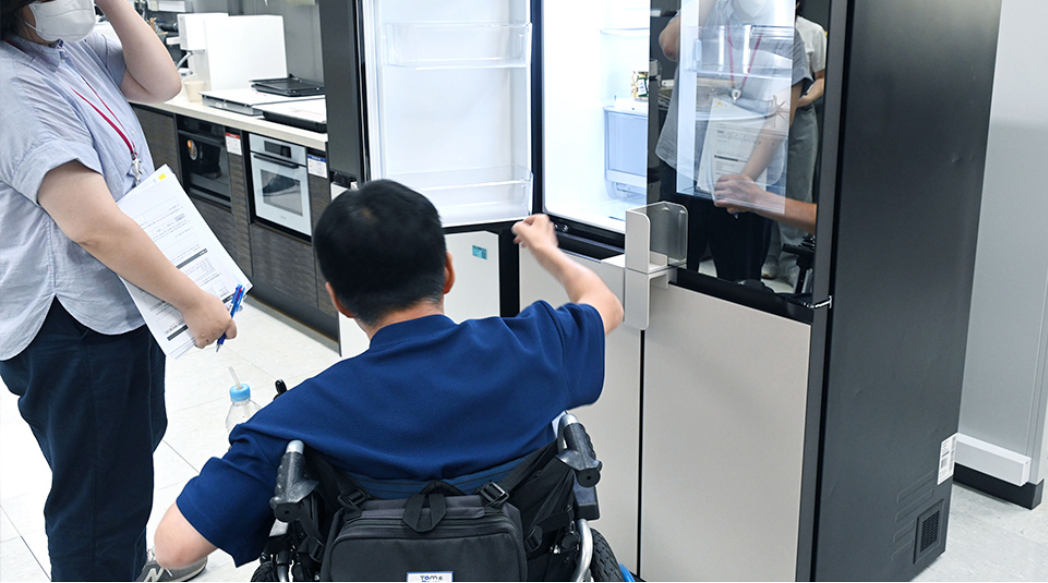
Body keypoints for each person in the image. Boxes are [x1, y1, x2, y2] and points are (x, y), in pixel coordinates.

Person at [151, 180, 624, 570]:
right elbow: (606, 305)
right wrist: (547, 251)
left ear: (338, 299)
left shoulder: (300, 415)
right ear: (447, 272)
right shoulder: (533, 347)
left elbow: (174, 548)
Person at [0, 0, 236, 580]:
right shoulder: (13, 82)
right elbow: (93, 226)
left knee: (122, 466)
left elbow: (161, 83)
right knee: (99, 498)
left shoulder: (64, 49)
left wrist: (116, 6)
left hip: (116, 305)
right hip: (69, 322)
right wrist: (192, 301)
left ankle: (125, 567)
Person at [656, 0, 812, 282]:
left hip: (747, 180)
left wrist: (744, 184)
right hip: (685, 168)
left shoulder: (786, 35)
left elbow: (778, 120)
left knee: (740, 285)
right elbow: (671, 46)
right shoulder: (705, 12)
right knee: (669, 278)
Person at [762, 0, 826, 282]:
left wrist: (803, 98)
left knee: (798, 187)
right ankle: (770, 257)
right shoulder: (761, 29)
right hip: (766, 114)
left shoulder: (812, 32)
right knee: (768, 185)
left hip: (800, 117)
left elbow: (823, 77)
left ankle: (793, 263)